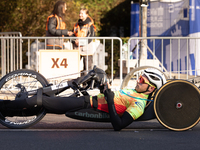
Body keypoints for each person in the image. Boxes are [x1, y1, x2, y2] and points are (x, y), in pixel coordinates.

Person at [0, 68, 166, 131]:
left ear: (151, 88)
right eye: (140, 77)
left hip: (86, 104)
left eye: (143, 81)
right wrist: (104, 88)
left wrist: (109, 98)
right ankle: (7, 110)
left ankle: (3, 106)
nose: (138, 80)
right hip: (89, 98)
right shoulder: (133, 91)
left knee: (42, 100)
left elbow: (118, 125)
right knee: (43, 106)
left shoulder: (139, 104)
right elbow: (112, 97)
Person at [71, 7, 96, 76]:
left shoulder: (90, 25)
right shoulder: (76, 24)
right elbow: (71, 34)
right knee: (74, 68)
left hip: (87, 50)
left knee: (87, 69)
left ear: (86, 15)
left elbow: (91, 36)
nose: (80, 15)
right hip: (77, 49)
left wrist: (80, 42)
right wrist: (74, 40)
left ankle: (86, 85)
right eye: (79, 13)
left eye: (82, 13)